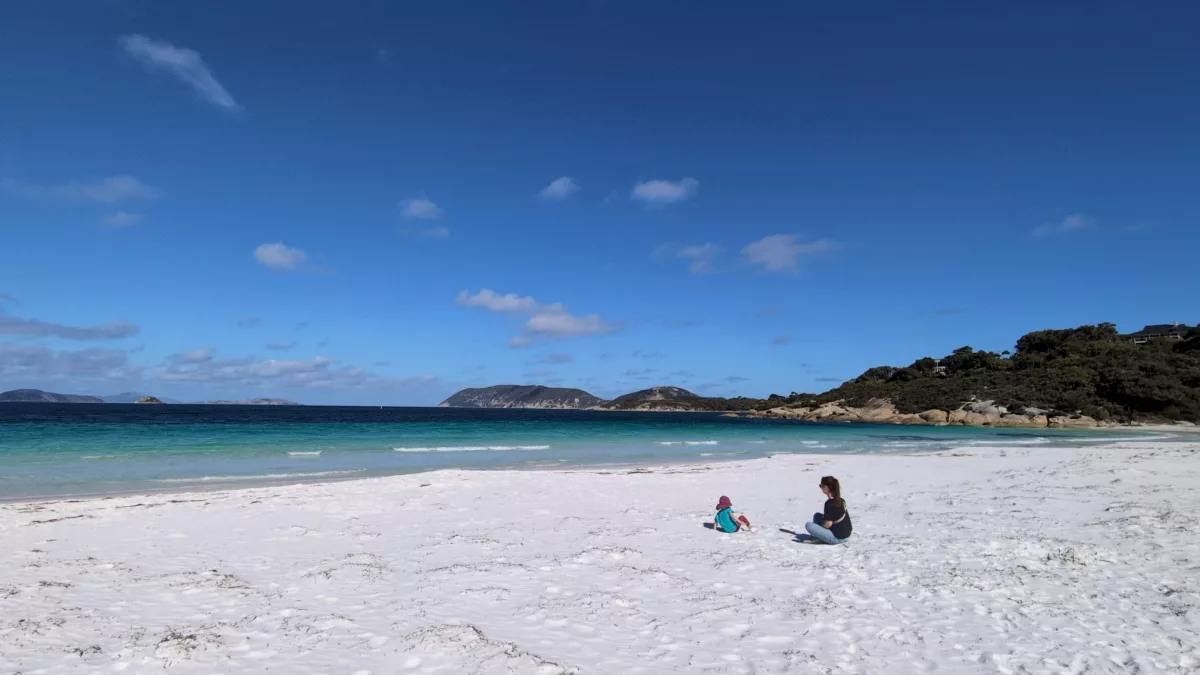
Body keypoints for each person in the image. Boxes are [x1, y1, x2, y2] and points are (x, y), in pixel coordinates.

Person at [804, 476, 852, 544]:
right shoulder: (841, 500)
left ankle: (819, 537)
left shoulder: (829, 503)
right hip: (846, 535)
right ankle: (820, 536)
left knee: (808, 525)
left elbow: (828, 524)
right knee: (817, 515)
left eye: (821, 486)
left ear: (826, 488)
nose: (820, 488)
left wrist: (820, 527)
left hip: (837, 538)